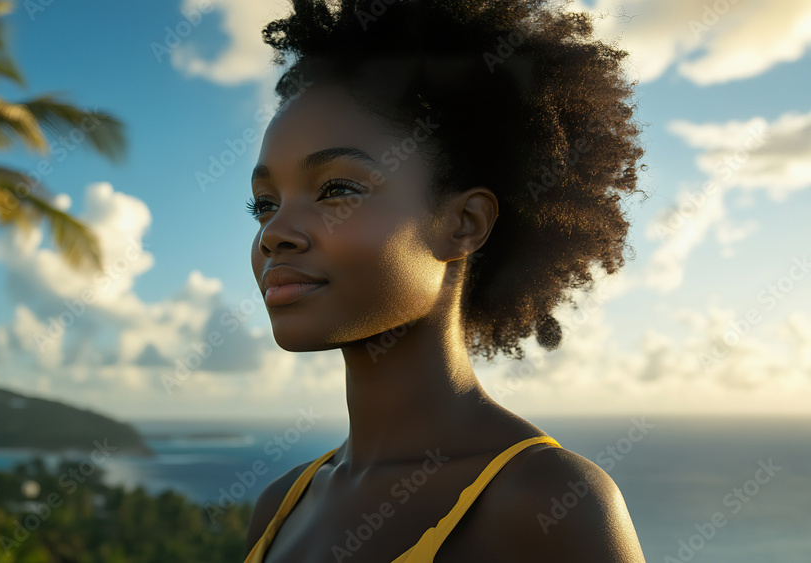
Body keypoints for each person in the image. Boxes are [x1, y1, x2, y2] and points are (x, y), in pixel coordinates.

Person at [243, 0, 648, 560]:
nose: (275, 233)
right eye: (263, 204)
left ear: (464, 223)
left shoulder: (547, 503)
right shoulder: (281, 504)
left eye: (336, 190)